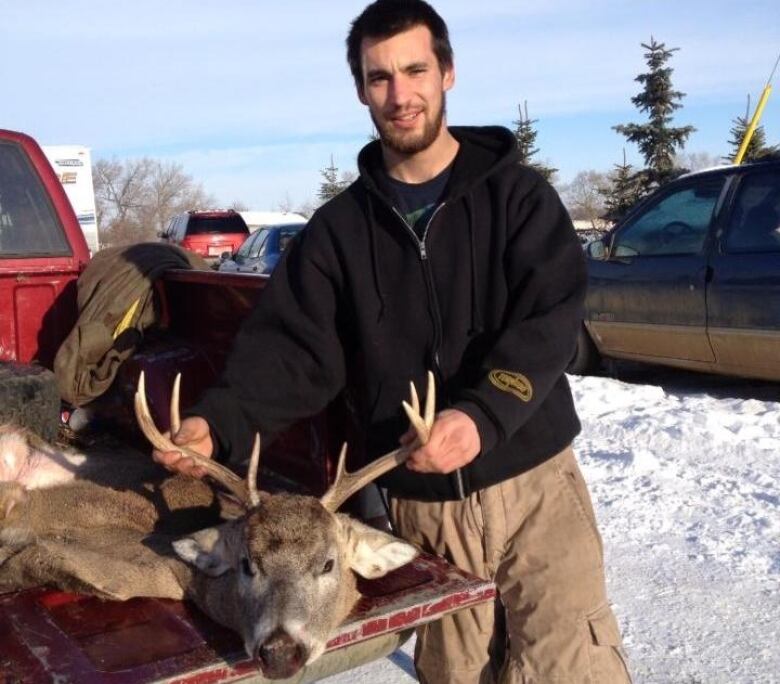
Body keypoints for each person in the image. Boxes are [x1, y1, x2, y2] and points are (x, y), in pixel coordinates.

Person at [154, 1, 631, 681]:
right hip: (423, 512)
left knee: (572, 666)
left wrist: (481, 414)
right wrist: (216, 423)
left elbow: (549, 321)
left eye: (414, 70)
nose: (400, 95)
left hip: (535, 490)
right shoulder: (336, 234)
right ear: (360, 90)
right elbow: (292, 356)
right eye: (380, 78)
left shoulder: (518, 199)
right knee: (455, 673)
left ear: (447, 73)